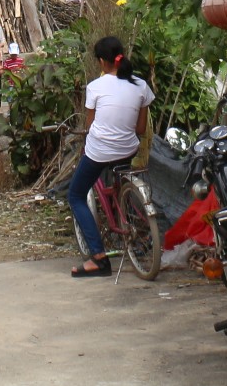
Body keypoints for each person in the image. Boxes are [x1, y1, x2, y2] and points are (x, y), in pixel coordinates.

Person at [67, 35, 155, 277]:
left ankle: (98, 257)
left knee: (75, 195)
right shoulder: (140, 86)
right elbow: (139, 129)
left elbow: (90, 124)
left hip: (100, 151)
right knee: (118, 178)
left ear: (102, 62)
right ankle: (132, 222)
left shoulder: (96, 86)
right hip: (128, 148)